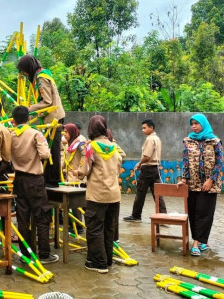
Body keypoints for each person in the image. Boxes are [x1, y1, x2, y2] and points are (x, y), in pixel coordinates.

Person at [10, 105, 59, 264]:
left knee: (22, 218)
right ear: (29, 118)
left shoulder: (11, 135)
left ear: (14, 120)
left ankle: (26, 253)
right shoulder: (35, 134)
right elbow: (45, 154)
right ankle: (44, 254)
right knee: (42, 216)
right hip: (35, 181)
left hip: (18, 180)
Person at [78, 115, 122, 274]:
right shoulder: (114, 146)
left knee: (94, 229)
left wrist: (78, 172)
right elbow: (118, 165)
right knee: (108, 229)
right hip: (114, 195)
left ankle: (98, 263)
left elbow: (84, 171)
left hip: (97, 195)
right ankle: (108, 259)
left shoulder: (90, 147)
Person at [178, 113, 223, 256]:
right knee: (193, 213)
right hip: (192, 184)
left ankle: (196, 243)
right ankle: (202, 241)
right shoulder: (188, 141)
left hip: (209, 185)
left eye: (196, 124)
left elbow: (220, 163)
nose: (194, 127)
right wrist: (183, 179)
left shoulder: (215, 141)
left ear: (203, 124)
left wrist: (211, 180)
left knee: (205, 214)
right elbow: (185, 162)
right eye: (192, 124)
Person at [17, 54, 65, 187]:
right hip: (52, 116)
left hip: (53, 117)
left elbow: (47, 101)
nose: (25, 75)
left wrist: (29, 109)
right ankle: (49, 179)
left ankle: (52, 180)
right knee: (49, 147)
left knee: (52, 149)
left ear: (28, 68)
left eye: (24, 71)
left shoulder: (41, 78)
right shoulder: (43, 74)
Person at [123, 119, 167, 222]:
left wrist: (139, 163)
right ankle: (164, 216)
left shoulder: (150, 139)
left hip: (148, 169)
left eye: (144, 128)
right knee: (158, 193)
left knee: (140, 192)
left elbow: (146, 156)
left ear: (151, 128)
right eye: (142, 128)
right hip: (156, 168)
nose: (142, 130)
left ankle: (136, 215)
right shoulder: (157, 138)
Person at [63, 123, 86, 233]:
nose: (64, 134)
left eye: (66, 132)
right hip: (70, 178)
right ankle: (75, 225)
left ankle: (79, 226)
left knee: (78, 204)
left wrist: (81, 169)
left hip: (78, 178)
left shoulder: (80, 143)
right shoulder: (69, 143)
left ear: (72, 132)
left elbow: (86, 155)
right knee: (72, 204)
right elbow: (65, 159)